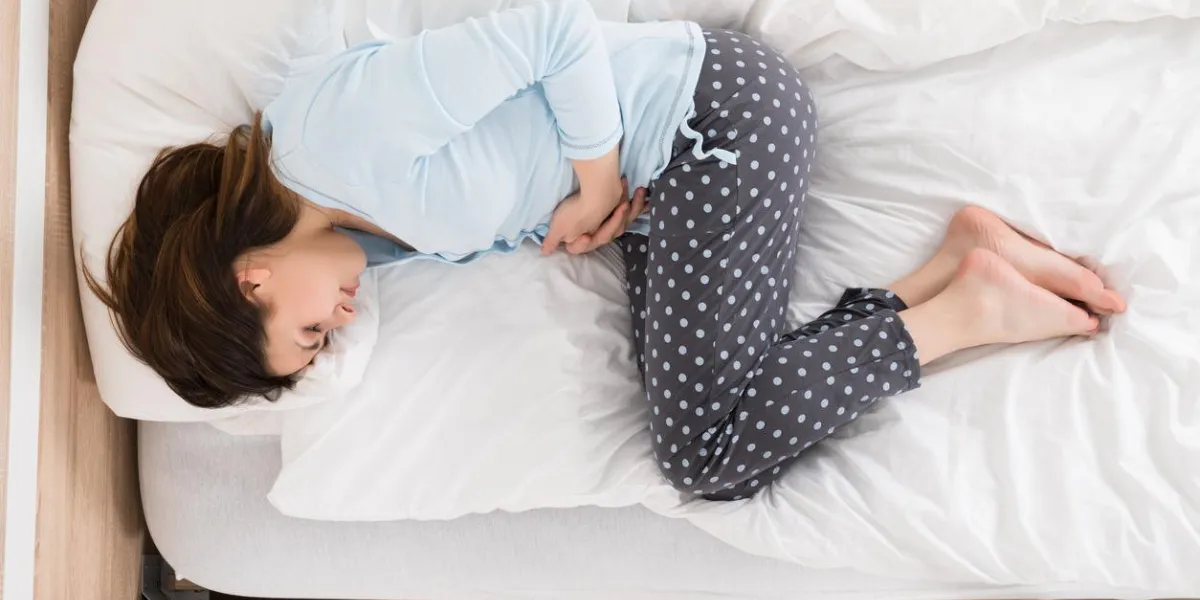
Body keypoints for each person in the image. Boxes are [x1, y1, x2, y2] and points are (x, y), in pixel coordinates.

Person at [86, 0, 1126, 500]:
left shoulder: (333, 140)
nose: (341, 329)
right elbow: (483, 188)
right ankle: (948, 275)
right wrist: (562, 217)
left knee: (709, 457)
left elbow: (551, 32)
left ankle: (963, 306)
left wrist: (591, 178)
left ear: (249, 274)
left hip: (710, 120)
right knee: (707, 428)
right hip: (665, 188)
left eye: (308, 332)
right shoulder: (349, 229)